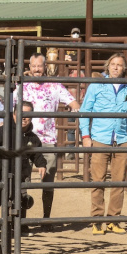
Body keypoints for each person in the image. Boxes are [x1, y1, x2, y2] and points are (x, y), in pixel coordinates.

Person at [13, 53, 80, 231]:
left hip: (48, 139)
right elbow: (10, 108)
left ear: (45, 66)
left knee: (47, 179)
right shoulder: (22, 86)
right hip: (25, 139)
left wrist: (74, 109)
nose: (36, 69)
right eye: (33, 66)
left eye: (39, 66)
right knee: (22, 178)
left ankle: (46, 219)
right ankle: (22, 221)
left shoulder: (55, 86)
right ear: (29, 66)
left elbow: (74, 103)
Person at [79, 53, 127, 235]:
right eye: (113, 64)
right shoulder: (96, 86)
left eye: (119, 65)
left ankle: (113, 219)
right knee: (98, 180)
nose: (115, 67)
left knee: (119, 182)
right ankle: (97, 220)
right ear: (108, 66)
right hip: (99, 138)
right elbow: (85, 110)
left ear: (124, 68)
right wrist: (86, 135)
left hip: (121, 140)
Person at [0, 101, 47, 237]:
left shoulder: (32, 137)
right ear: (14, 115)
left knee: (20, 200)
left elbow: (36, 153)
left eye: (27, 114)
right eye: (21, 113)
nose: (24, 117)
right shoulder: (3, 131)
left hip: (20, 175)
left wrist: (41, 164)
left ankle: (18, 226)